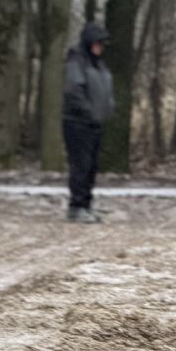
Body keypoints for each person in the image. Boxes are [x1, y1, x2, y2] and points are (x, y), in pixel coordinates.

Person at [62, 20, 114, 223]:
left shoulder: (98, 63)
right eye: (97, 43)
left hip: (94, 122)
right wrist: (89, 111)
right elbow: (74, 91)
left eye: (102, 44)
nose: (100, 47)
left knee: (91, 166)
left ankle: (86, 204)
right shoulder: (76, 61)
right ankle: (76, 206)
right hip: (77, 122)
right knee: (81, 165)